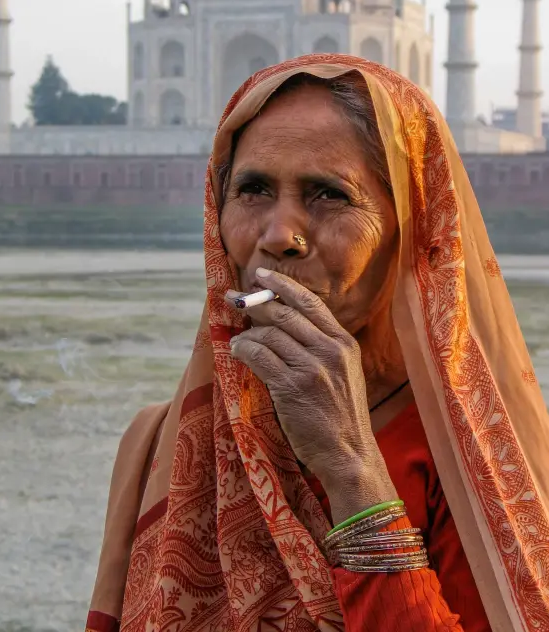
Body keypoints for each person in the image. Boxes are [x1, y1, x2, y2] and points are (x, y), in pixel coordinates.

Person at [85, 55, 549, 632]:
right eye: (252, 189)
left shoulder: (470, 458)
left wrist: (350, 466)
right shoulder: (162, 441)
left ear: (411, 231)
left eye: (329, 195)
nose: (280, 235)